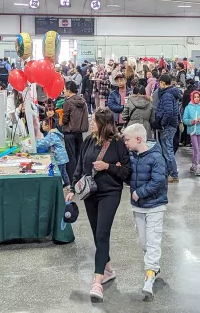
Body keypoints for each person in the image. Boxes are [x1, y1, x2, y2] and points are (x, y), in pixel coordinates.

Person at [67, 108, 131, 302]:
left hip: (110, 193)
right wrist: (72, 188)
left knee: (103, 233)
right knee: (96, 233)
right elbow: (79, 165)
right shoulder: (88, 141)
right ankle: (108, 268)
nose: (91, 123)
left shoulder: (118, 144)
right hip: (90, 193)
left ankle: (97, 281)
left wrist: (108, 167)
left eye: (94, 121)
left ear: (104, 123)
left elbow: (127, 171)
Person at [122, 124, 167, 300]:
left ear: (138, 139)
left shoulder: (157, 157)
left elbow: (159, 181)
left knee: (153, 241)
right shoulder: (131, 156)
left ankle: (149, 277)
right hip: (138, 207)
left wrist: (139, 192)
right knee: (144, 243)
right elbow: (128, 175)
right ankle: (153, 266)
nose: (125, 143)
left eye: (127, 140)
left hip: (155, 206)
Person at [155, 74, 181, 183]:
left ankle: (173, 174)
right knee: (167, 149)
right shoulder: (172, 93)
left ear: (162, 83)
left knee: (167, 150)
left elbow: (169, 112)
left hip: (168, 126)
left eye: (159, 83)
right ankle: (169, 172)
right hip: (172, 124)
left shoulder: (166, 95)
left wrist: (162, 123)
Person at [62, 80, 89, 180]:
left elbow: (65, 118)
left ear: (69, 90)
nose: (64, 91)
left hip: (69, 132)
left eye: (64, 89)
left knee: (70, 156)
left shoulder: (68, 102)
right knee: (79, 155)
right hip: (79, 132)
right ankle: (80, 176)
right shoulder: (82, 101)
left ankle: (72, 178)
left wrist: (62, 123)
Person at [36, 118, 71, 187]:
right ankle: (68, 185)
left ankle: (59, 187)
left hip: (59, 158)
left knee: (58, 174)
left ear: (48, 126)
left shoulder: (52, 135)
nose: (42, 127)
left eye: (43, 125)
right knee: (63, 173)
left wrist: (35, 142)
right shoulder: (54, 132)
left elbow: (44, 143)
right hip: (62, 157)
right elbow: (45, 140)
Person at [182, 90, 200, 176]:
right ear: (192, 98)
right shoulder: (188, 107)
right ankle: (197, 166)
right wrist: (193, 121)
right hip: (192, 131)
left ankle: (193, 165)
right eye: (195, 97)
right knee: (196, 149)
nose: (197, 99)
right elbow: (185, 120)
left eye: (198, 97)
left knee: (196, 149)